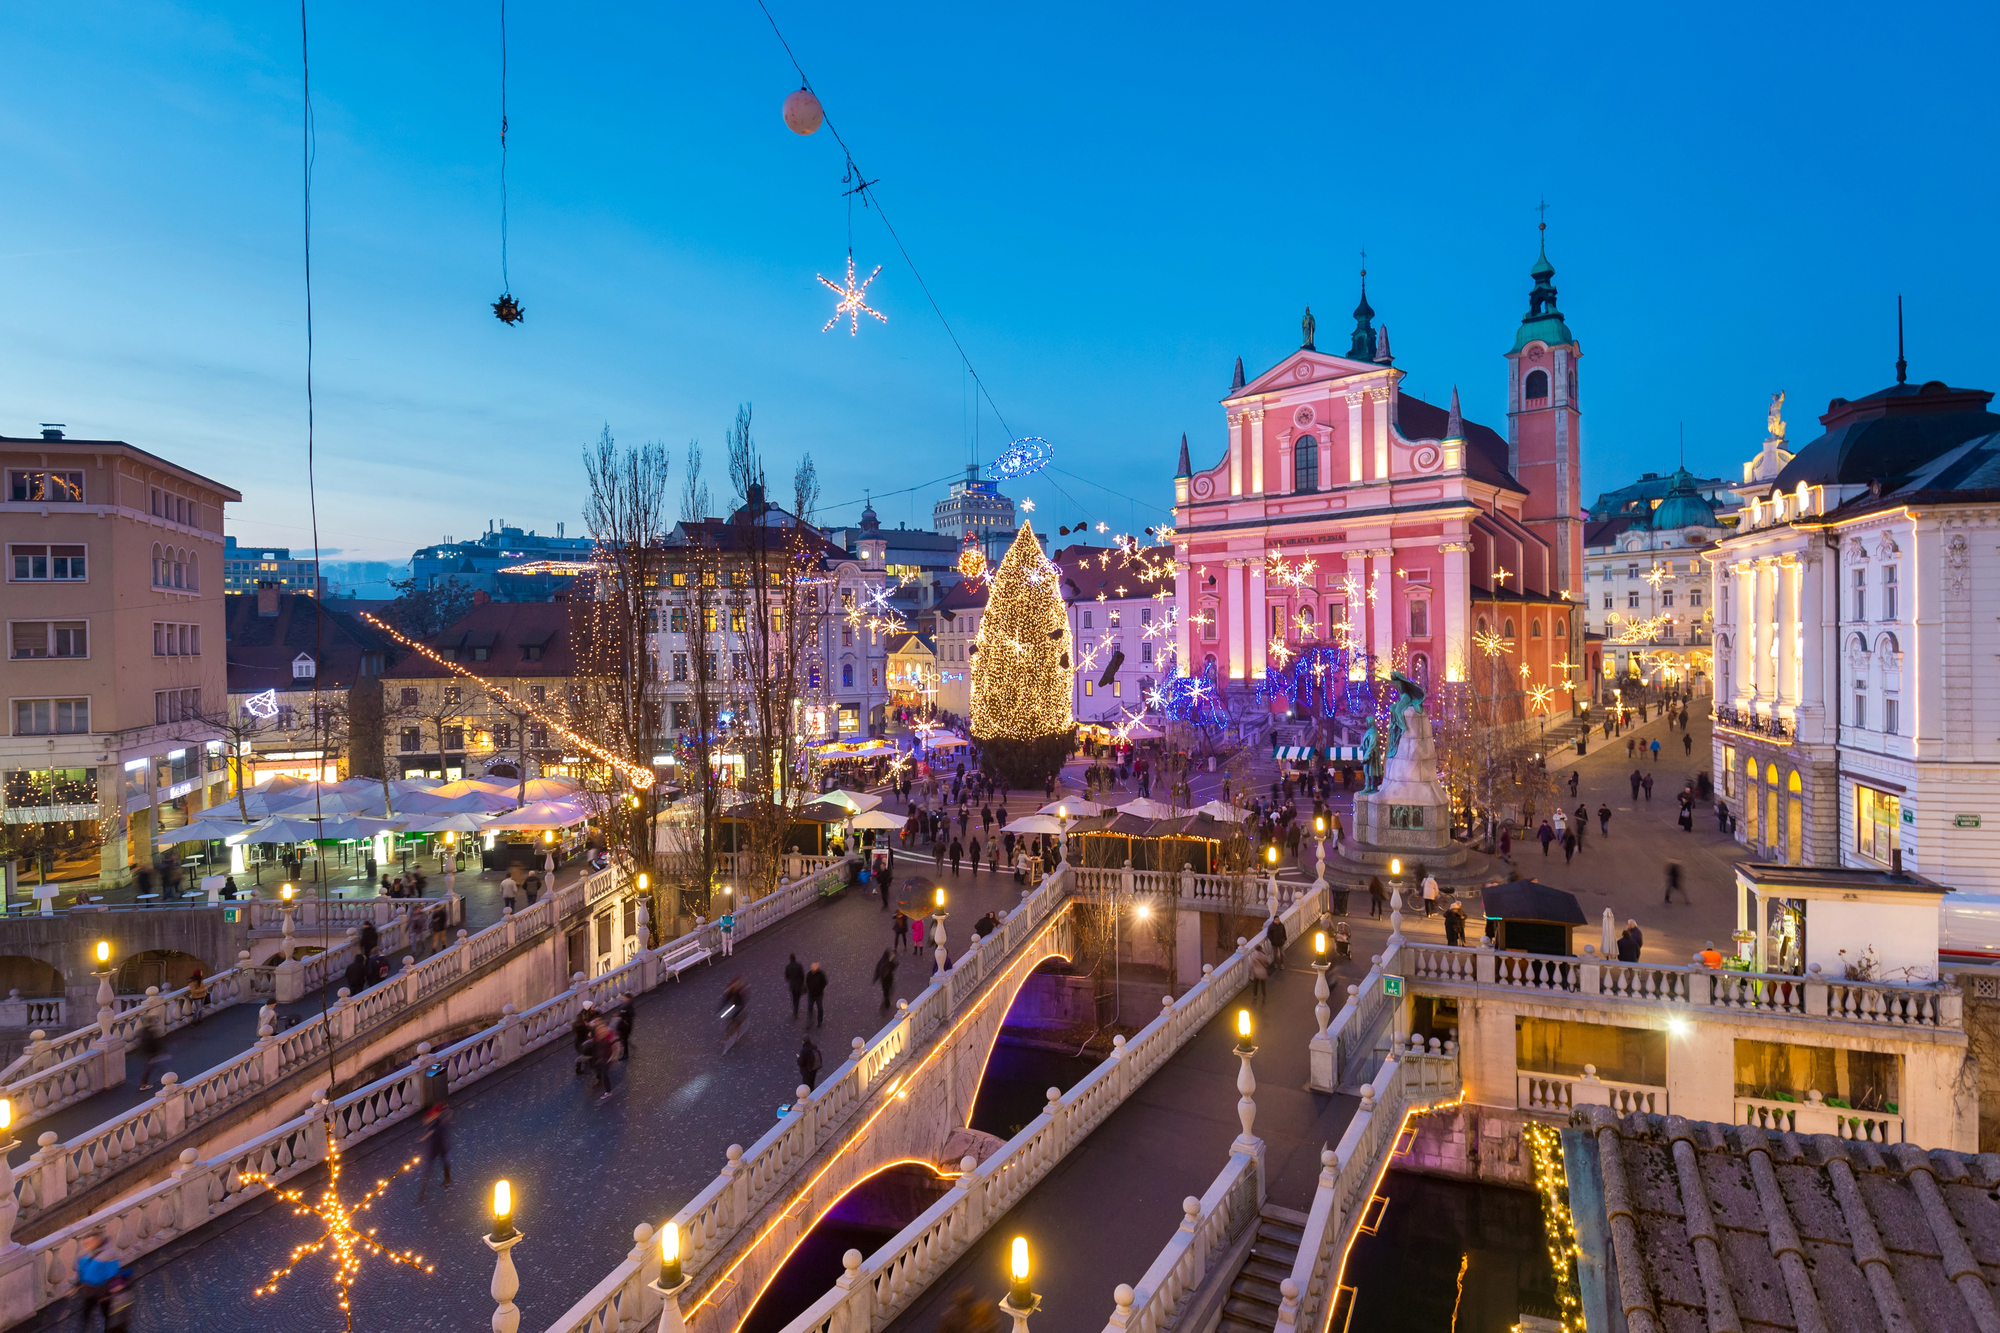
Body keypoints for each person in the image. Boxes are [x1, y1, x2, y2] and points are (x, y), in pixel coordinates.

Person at [73, 1232, 119, 1330]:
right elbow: (82, 1271)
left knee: (107, 1316)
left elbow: (112, 1275)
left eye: (89, 1243)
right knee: (85, 1315)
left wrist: (105, 1294)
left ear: (98, 1241)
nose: (86, 1246)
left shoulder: (108, 1255)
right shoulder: (86, 1254)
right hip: (90, 1292)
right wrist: (77, 1286)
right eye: (85, 1244)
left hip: (103, 1294)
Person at [416, 1103, 453, 1200]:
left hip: (438, 1146)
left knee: (432, 1165)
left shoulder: (437, 1122)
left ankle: (423, 1190)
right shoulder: (438, 1121)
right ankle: (447, 1179)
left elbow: (430, 1132)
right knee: (443, 1161)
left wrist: (422, 1139)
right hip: (440, 1145)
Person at [591, 1015, 619, 1102]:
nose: (599, 1032)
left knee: (605, 1074)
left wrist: (610, 1058)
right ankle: (602, 1083)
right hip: (602, 1058)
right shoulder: (599, 1037)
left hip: (606, 1059)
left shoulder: (607, 1039)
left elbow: (614, 1048)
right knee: (600, 1071)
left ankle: (608, 1091)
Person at [135, 1017, 167, 1091]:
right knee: (154, 1067)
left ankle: (143, 1084)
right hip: (151, 1053)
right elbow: (153, 1043)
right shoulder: (150, 1032)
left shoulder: (143, 1031)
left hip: (148, 1053)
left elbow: (141, 1043)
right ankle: (143, 1084)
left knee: (150, 1067)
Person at [719, 977, 749, 1053]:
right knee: (729, 1021)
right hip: (733, 1006)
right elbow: (725, 1000)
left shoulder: (739, 991)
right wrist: (720, 1009)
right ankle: (730, 1034)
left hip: (738, 1007)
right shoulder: (730, 991)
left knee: (735, 1020)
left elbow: (741, 1002)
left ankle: (734, 1032)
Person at [572, 1002, 598, 1075]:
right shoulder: (581, 1026)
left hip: (580, 1042)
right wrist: (589, 1027)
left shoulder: (579, 1024)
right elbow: (587, 1032)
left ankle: (579, 1068)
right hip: (582, 1043)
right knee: (583, 1055)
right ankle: (579, 1068)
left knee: (583, 1055)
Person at [805, 962, 829, 1027]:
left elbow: (824, 982)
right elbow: (807, 982)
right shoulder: (809, 974)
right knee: (810, 1008)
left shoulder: (820, 974)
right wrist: (809, 989)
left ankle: (819, 1021)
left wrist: (820, 989)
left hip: (818, 994)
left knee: (819, 1008)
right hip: (811, 994)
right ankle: (809, 1022)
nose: (813, 970)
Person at [785, 954, 807, 1019]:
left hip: (792, 985)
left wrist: (790, 980)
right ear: (795, 958)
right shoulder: (799, 966)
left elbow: (787, 976)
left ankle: (795, 1010)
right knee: (797, 998)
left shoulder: (788, 966)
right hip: (798, 985)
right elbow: (802, 975)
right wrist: (802, 982)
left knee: (794, 998)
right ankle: (796, 1011)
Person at [615, 999, 635, 1063]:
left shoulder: (628, 1007)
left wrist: (624, 1020)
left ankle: (625, 1053)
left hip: (625, 1027)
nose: (622, 999)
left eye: (624, 998)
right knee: (623, 1039)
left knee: (624, 1039)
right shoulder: (625, 1006)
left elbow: (629, 1016)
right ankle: (624, 1051)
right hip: (623, 1027)